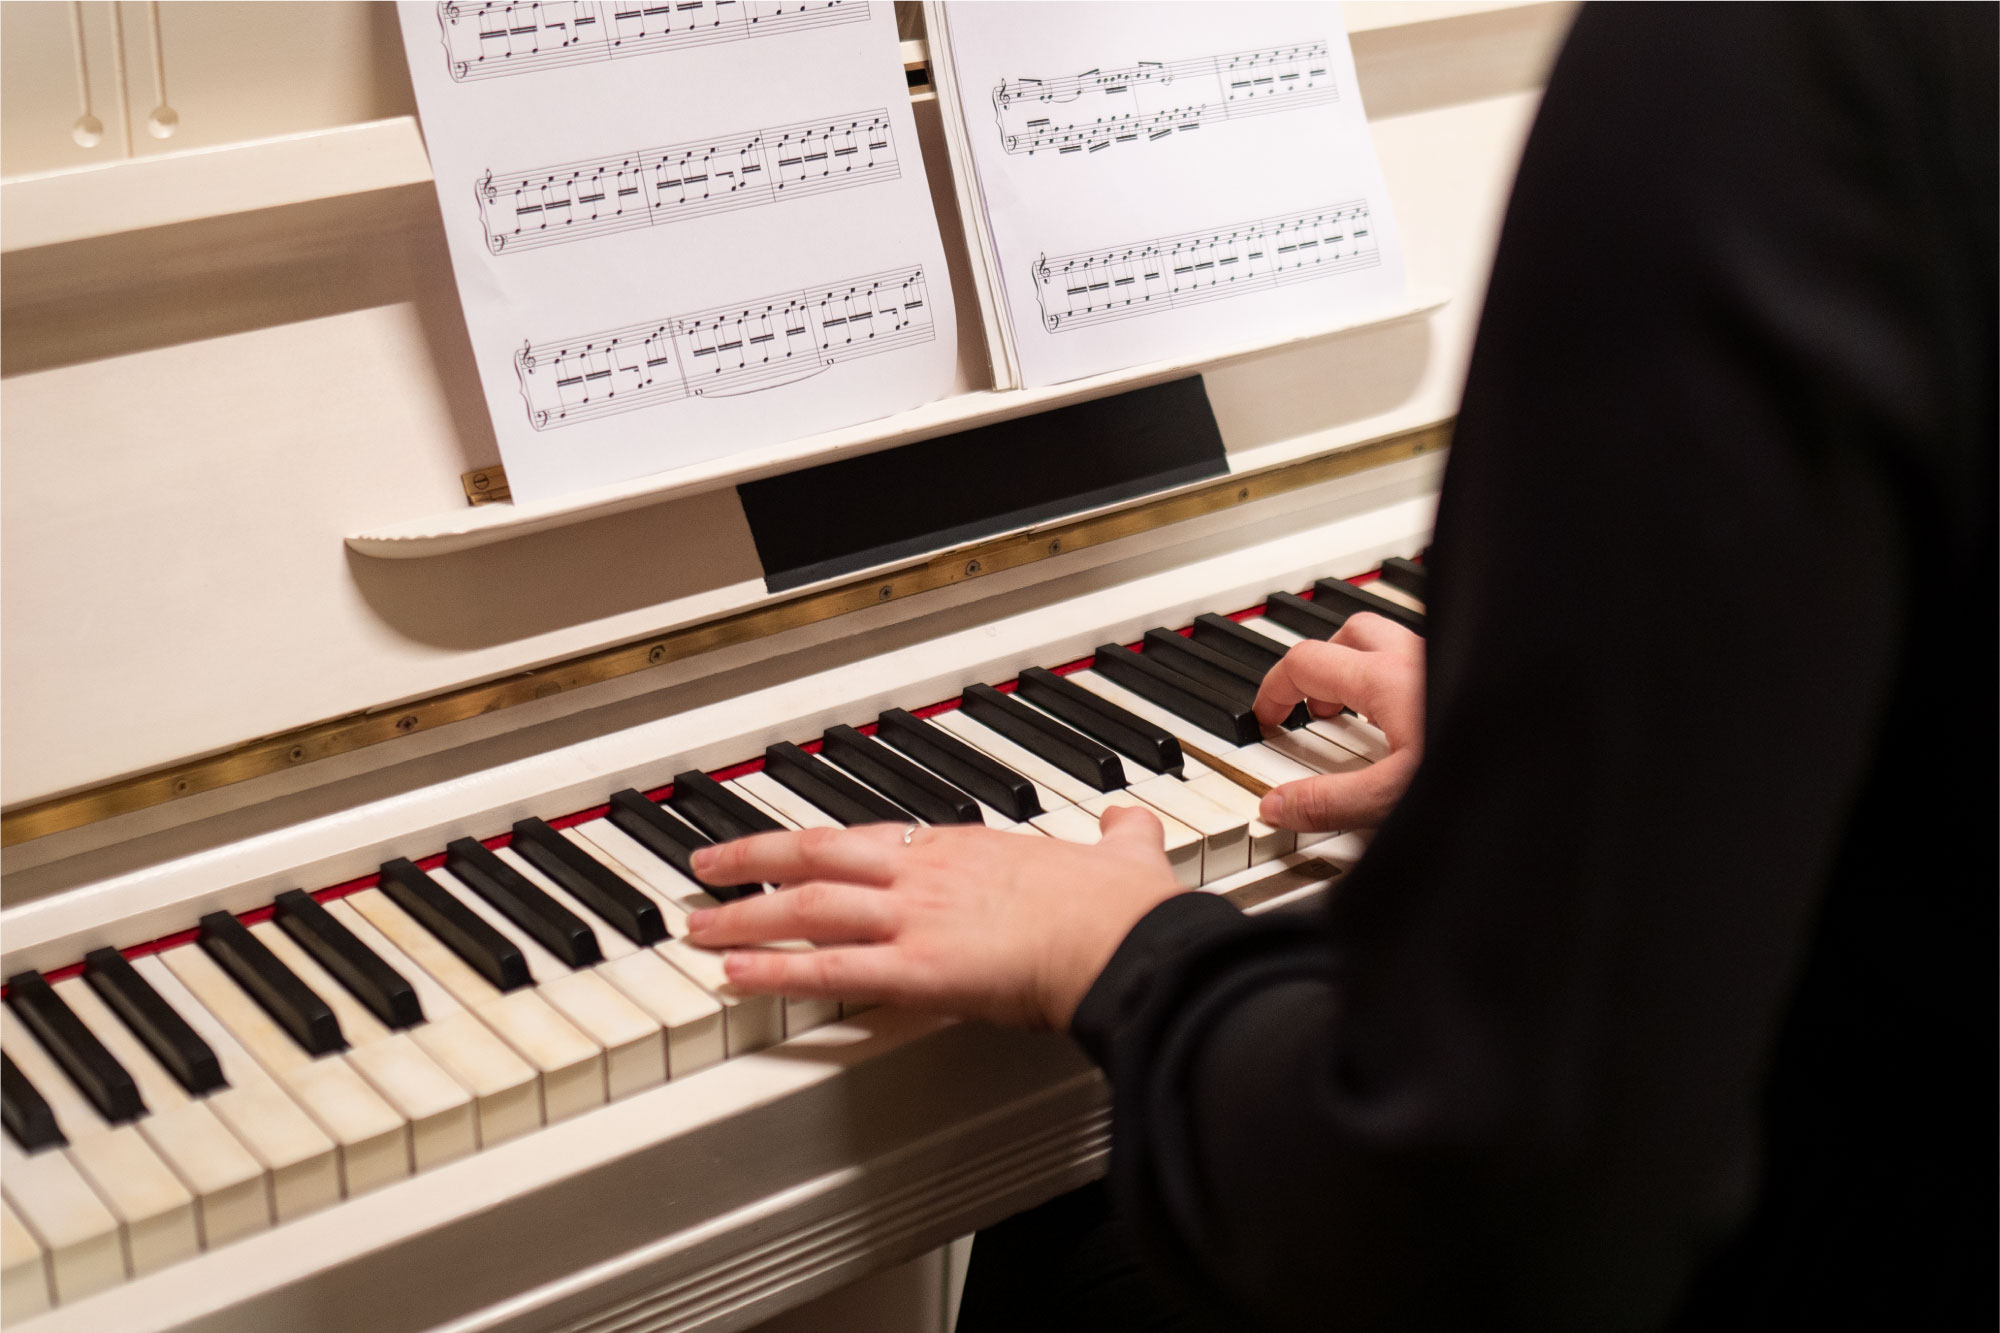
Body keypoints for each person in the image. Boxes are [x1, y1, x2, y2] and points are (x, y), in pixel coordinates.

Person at [684, 5, 1997, 1330]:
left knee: (1086, 1246)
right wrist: (1608, 743)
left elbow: (1475, 1227)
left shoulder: (1759, 64)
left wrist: (1124, 951)